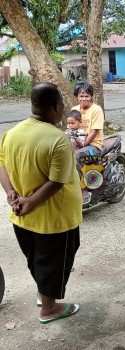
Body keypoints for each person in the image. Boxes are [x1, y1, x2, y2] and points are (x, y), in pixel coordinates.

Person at [0, 82, 82, 324]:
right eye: (63, 105)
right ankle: (49, 308)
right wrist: (31, 202)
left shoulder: (12, 133)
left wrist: (11, 192)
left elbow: (1, 164)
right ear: (56, 106)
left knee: (37, 259)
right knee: (55, 262)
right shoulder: (58, 140)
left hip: (22, 218)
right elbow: (56, 182)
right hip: (55, 220)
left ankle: (43, 294)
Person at [71, 82, 104, 162]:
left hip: (93, 145)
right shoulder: (74, 110)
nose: (84, 99)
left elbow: (94, 132)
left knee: (75, 156)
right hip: (77, 144)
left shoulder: (96, 110)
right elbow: (70, 129)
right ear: (77, 97)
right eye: (81, 96)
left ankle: (77, 175)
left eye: (87, 96)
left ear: (91, 97)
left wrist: (83, 145)